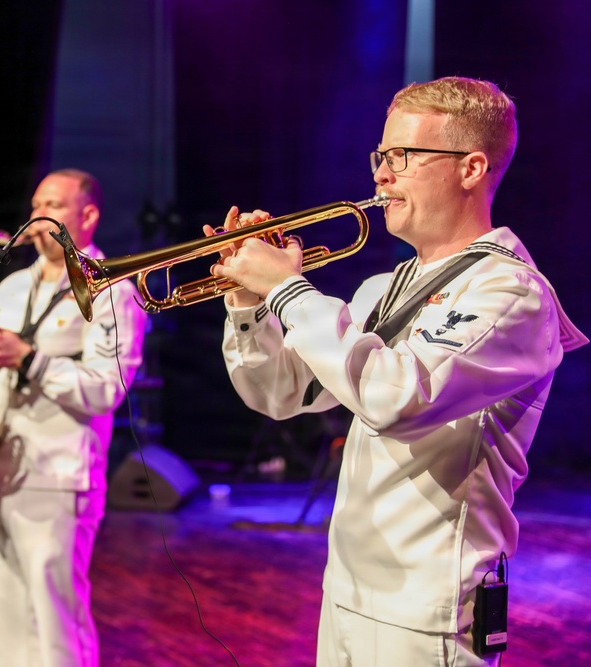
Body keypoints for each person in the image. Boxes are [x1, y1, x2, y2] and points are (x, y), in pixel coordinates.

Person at [211, 77, 587, 666]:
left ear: (470, 168)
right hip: (349, 588)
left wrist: (287, 288)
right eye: (381, 157)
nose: (382, 176)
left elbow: (397, 398)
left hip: (427, 609)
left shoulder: (511, 291)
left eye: (402, 156)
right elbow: (280, 393)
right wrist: (247, 303)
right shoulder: (382, 287)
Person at [0, 168, 147, 667]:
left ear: (87, 216)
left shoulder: (113, 288)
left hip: (59, 473)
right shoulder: (9, 289)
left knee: (55, 619)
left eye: (54, 206)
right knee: (0, 610)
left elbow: (107, 389)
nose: (37, 218)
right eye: (35, 206)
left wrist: (29, 360)